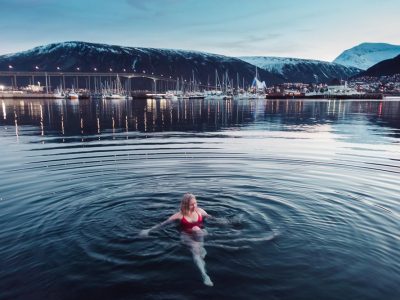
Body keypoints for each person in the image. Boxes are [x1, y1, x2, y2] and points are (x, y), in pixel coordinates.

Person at [139, 193, 214, 286]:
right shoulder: (179, 215)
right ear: (185, 205)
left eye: (195, 203)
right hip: (186, 235)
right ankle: (204, 274)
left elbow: (212, 218)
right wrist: (148, 230)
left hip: (199, 233)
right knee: (196, 251)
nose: (194, 206)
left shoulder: (200, 211)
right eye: (191, 204)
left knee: (198, 230)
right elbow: (163, 224)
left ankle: (201, 248)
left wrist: (226, 222)